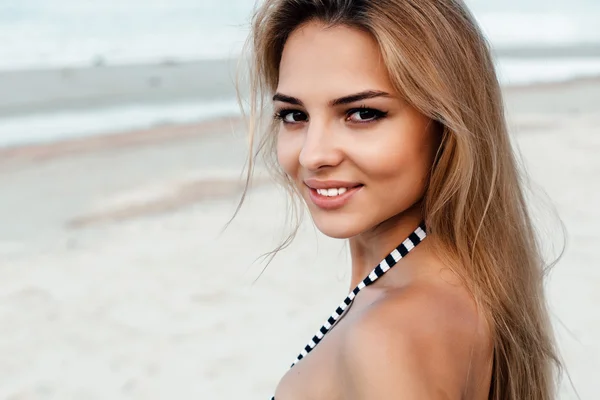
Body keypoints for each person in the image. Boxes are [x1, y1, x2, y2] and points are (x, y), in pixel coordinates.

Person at [235, 0, 561, 399]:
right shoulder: (452, 288)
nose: (312, 155)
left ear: (446, 123)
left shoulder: (389, 334)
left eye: (362, 113)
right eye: (294, 115)